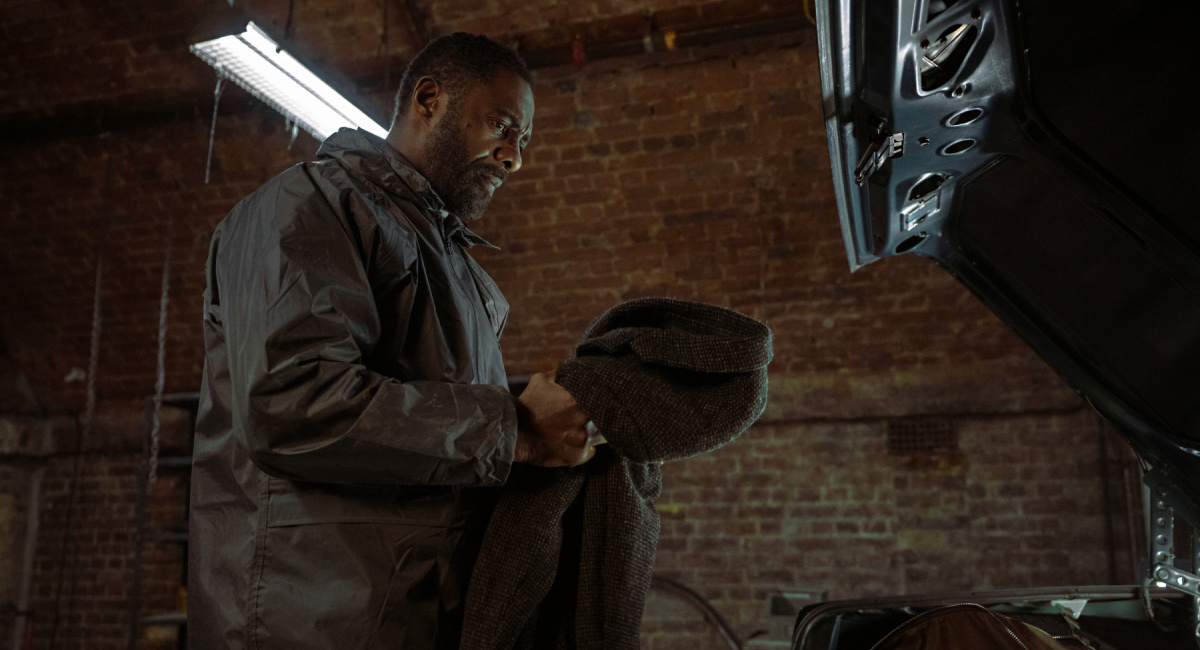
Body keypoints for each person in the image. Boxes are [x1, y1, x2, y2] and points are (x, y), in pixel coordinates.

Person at [188, 32, 593, 649]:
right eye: (503, 125)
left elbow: (437, 443)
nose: (515, 157)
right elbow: (292, 402)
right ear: (429, 99)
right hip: (308, 624)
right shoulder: (307, 205)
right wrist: (517, 428)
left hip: (409, 614)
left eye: (524, 141)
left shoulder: (454, 269)